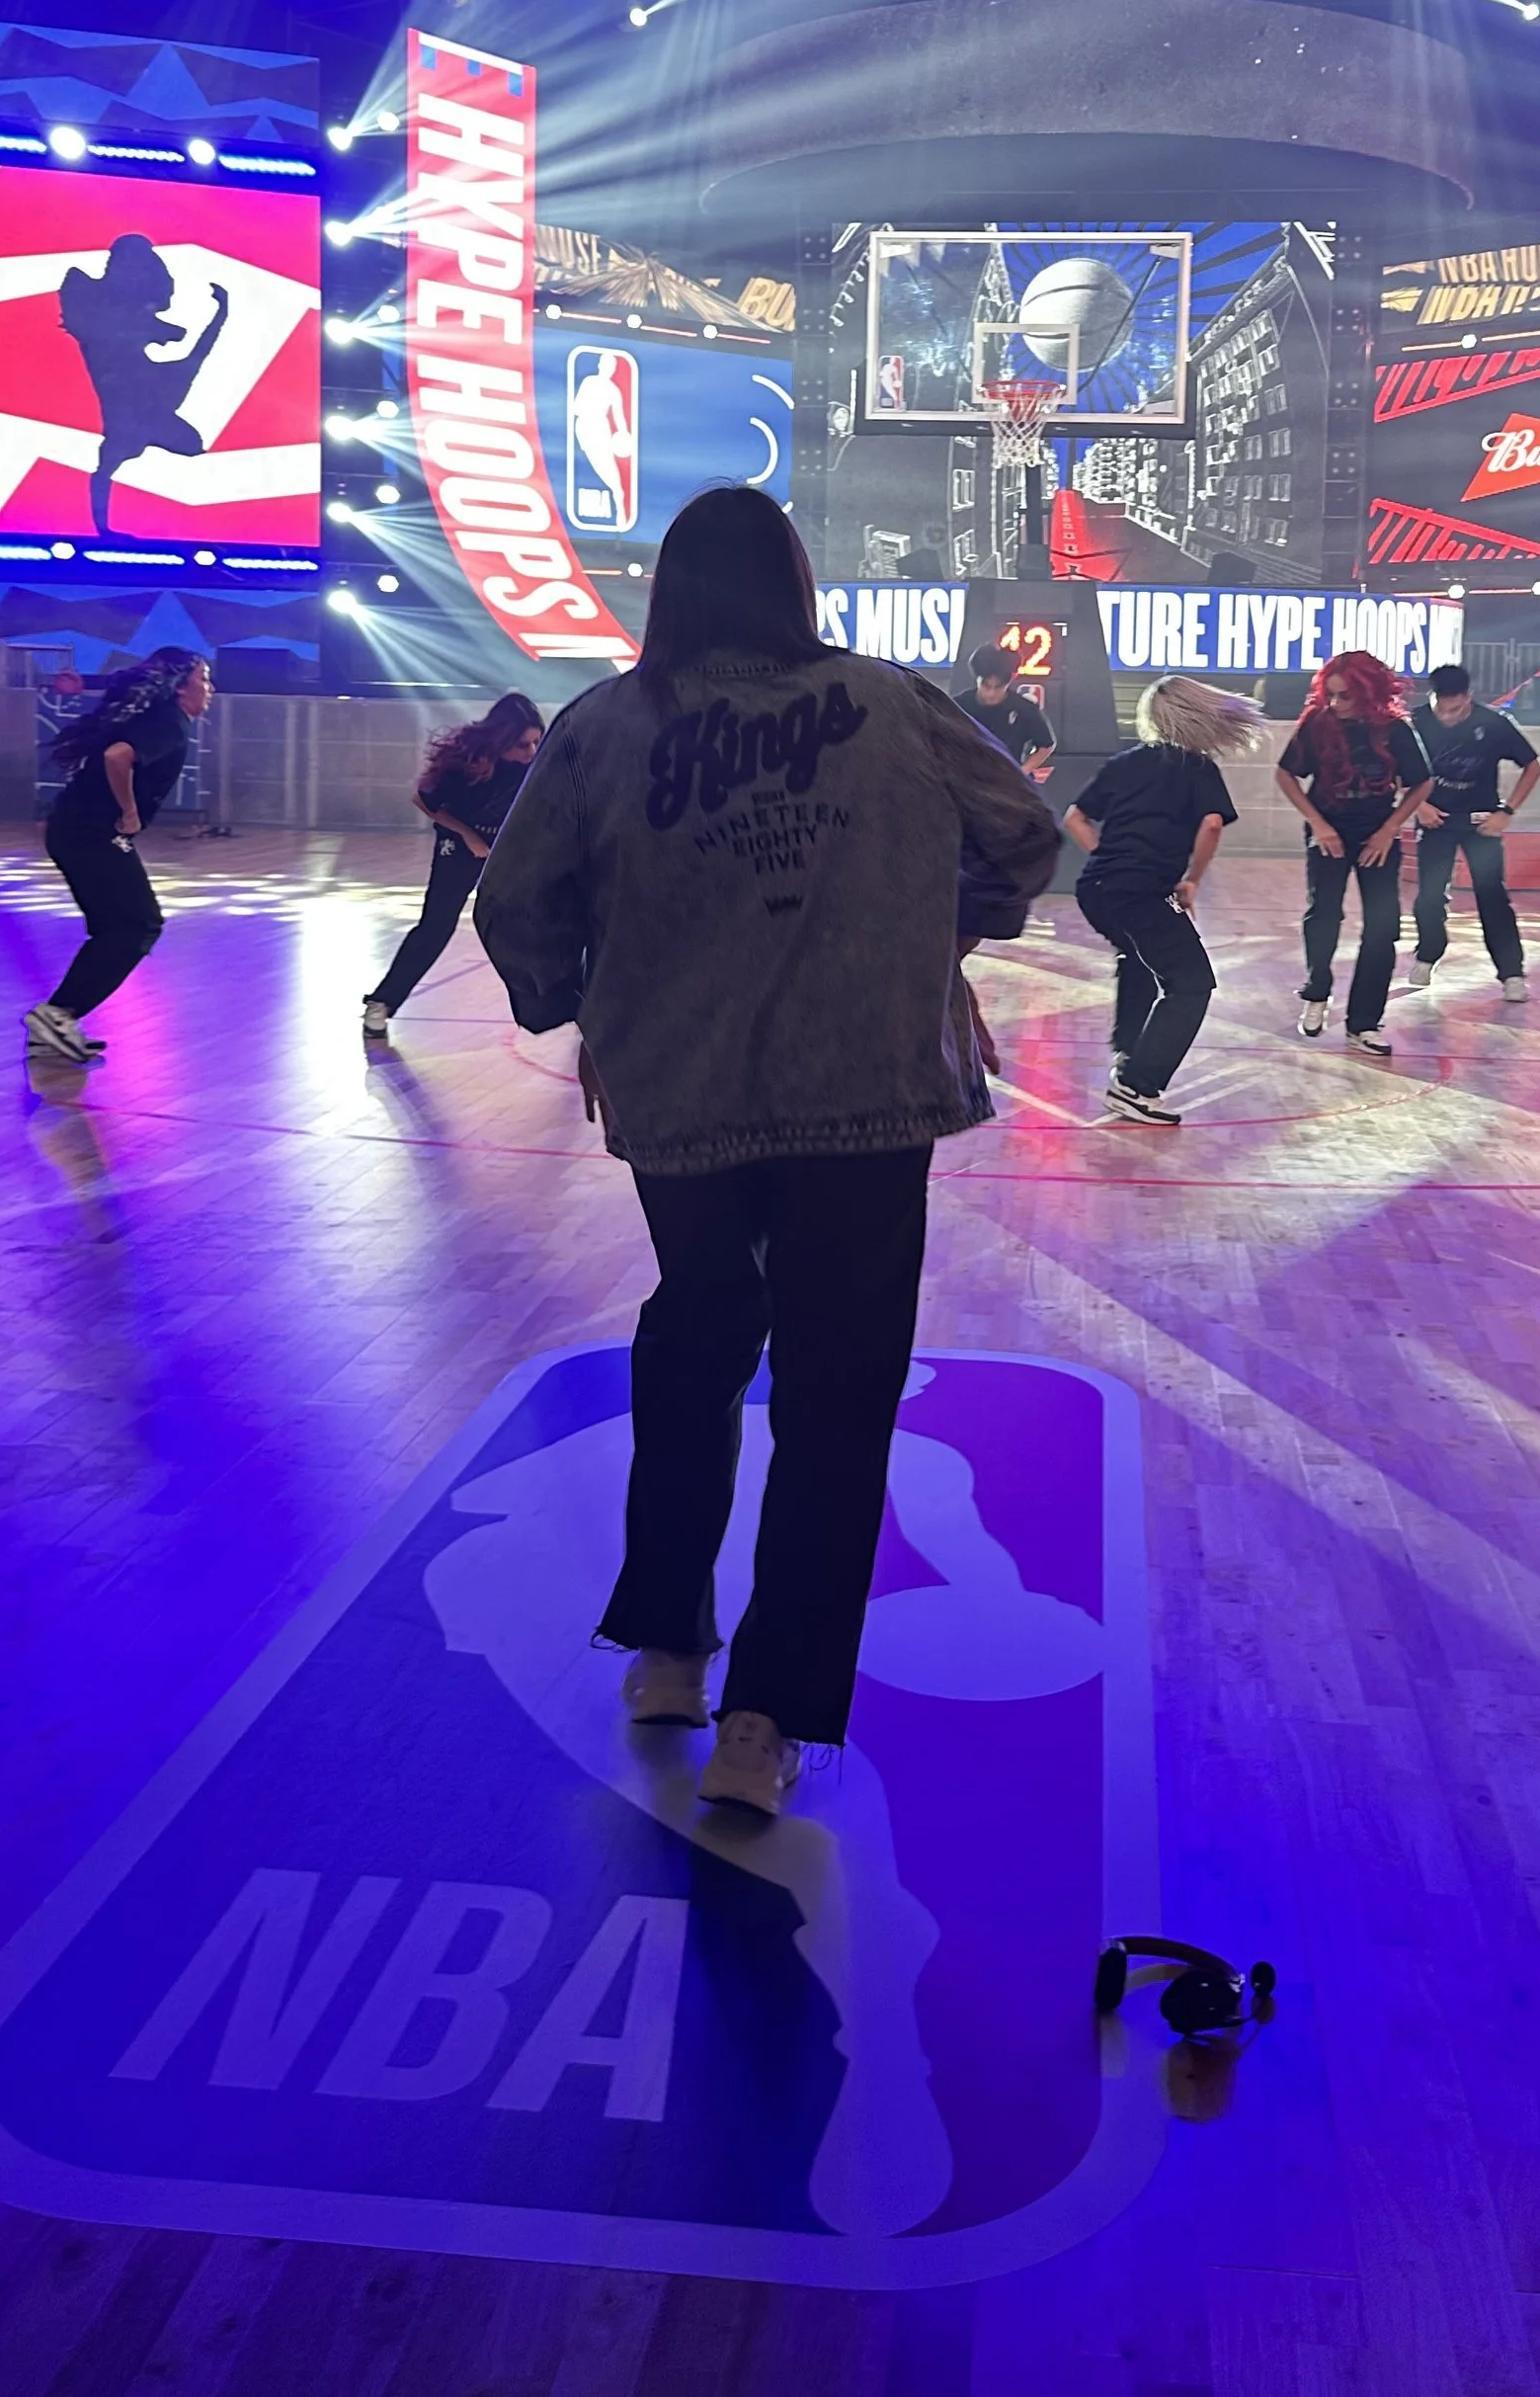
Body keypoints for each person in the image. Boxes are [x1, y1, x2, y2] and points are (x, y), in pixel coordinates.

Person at [472, 486, 1059, 1819]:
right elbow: (1023, 836)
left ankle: (670, 1652)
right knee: (839, 1395)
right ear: (796, 585)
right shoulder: (897, 704)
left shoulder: (606, 724)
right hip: (869, 1091)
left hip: (683, 1097)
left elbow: (516, 905)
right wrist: (933, 935)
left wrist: (578, 997)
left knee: (695, 1338)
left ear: (671, 589)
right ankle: (768, 1719)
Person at [1063, 677, 1262, 1124]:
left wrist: (1108, 859)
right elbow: (1211, 825)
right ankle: (1136, 1086)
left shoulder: (1125, 763)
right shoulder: (1198, 767)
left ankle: (1130, 1053)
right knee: (1192, 983)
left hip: (1097, 890)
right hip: (1141, 893)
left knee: (1138, 957)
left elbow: (1074, 817)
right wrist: (1192, 880)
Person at [24, 645, 212, 1063]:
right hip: (91, 834)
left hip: (74, 831)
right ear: (181, 688)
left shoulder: (153, 718)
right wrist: (128, 812)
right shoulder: (168, 722)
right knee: (139, 925)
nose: (209, 689)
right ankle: (58, 1013)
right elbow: (117, 756)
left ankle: (54, 1025)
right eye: (203, 679)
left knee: (116, 928)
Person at [1274, 649, 1433, 1058]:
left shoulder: (1396, 730)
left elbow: (1422, 783)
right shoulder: (1317, 724)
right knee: (1324, 912)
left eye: (1345, 696)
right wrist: (1320, 825)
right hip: (1329, 830)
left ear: (1368, 693)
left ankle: (1363, 1023)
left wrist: (1388, 830)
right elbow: (1285, 774)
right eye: (1331, 695)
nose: (1336, 704)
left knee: (1382, 928)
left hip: (1376, 832)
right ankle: (1317, 990)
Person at [363, 693, 543, 1040]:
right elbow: (423, 800)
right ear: (501, 740)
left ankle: (577, 1006)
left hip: (508, 850)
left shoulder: (535, 765)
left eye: (536, 742)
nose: (531, 753)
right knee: (436, 927)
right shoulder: (466, 762)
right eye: (522, 745)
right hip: (459, 848)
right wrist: (468, 835)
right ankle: (382, 1003)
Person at [58, 232, 231, 538]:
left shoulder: (127, 430)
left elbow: (198, 352)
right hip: (122, 337)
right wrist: (221, 314)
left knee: (148, 322)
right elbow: (201, 351)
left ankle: (132, 289)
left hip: (109, 338)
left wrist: (103, 530)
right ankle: (134, 285)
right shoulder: (168, 396)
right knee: (159, 320)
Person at [1406, 663, 1540, 1001]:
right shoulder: (1415, 722)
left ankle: (1512, 973)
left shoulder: (1494, 723)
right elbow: (1395, 767)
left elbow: (1534, 766)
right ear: (1431, 697)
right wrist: (1417, 805)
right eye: (1441, 707)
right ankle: (1427, 955)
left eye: (1455, 710)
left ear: (1468, 698)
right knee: (1429, 897)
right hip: (1435, 820)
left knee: (1492, 897)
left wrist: (1506, 812)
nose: (1447, 717)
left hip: (1482, 823)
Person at [954, 645, 1055, 778]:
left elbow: (1046, 745)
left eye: (998, 687)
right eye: (986, 686)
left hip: (1008, 781)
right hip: (967, 778)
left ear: (1008, 682)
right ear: (977, 680)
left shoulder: (1024, 708)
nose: (991, 693)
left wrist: (1022, 772)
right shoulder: (958, 705)